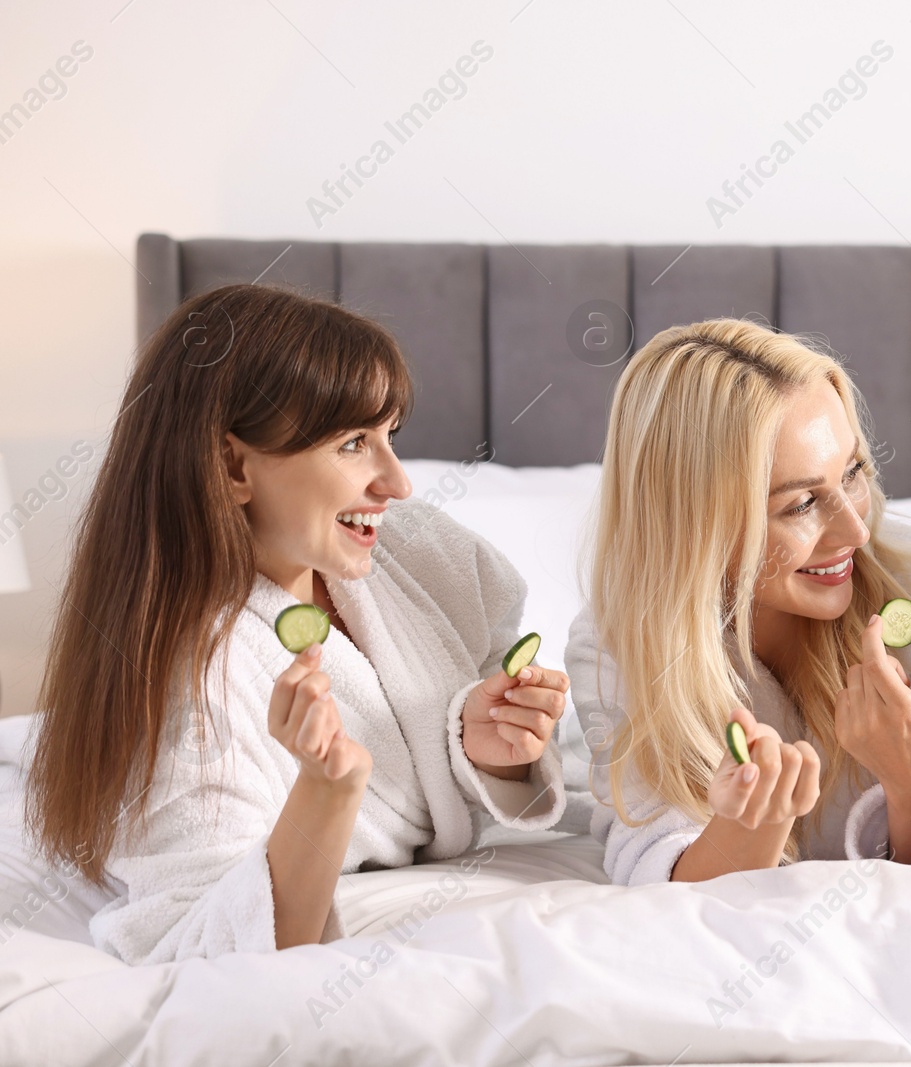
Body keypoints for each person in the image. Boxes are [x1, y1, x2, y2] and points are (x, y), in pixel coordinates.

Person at [25, 285, 568, 964]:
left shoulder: (427, 555)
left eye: (388, 437)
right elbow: (205, 942)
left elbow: (482, 662)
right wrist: (326, 792)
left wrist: (481, 744)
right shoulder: (187, 684)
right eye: (352, 444)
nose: (396, 483)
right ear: (232, 465)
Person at [566, 314, 911, 884]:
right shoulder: (617, 641)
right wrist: (753, 827)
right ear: (695, 528)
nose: (856, 529)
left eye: (853, 470)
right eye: (801, 504)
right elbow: (658, 874)